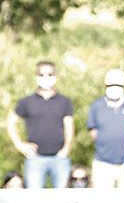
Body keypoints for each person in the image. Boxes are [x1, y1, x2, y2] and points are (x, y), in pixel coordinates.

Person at [6, 61, 74, 189]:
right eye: (41, 75)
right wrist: (19, 145)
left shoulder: (64, 102)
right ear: (36, 76)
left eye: (50, 74)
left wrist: (67, 148)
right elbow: (10, 123)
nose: (46, 78)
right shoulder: (26, 102)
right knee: (34, 202)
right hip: (35, 159)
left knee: (63, 202)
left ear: (55, 76)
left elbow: (69, 127)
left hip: (60, 158)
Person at [86, 68, 124, 188]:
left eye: (118, 85)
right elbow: (92, 130)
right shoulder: (97, 106)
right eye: (111, 85)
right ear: (106, 85)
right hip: (102, 162)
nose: (114, 87)